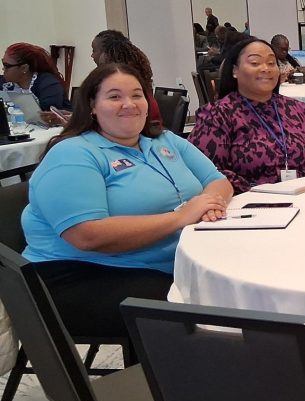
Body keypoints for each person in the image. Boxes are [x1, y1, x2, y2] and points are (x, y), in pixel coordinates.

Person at [21, 63, 232, 338]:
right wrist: (182, 217)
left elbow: (218, 182)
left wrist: (209, 204)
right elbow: (88, 235)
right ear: (92, 106)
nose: (129, 104)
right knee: (206, 317)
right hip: (83, 273)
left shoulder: (162, 140)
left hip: (168, 261)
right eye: (114, 97)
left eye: (137, 95)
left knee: (240, 282)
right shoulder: (73, 154)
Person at [189, 37, 305, 192]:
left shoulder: (299, 110)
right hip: (249, 202)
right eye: (255, 63)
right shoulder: (218, 115)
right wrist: (259, 191)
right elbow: (206, 169)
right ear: (234, 71)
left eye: (272, 63)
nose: (266, 68)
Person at [2, 42, 69, 110]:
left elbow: (49, 117)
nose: (3, 69)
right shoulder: (5, 83)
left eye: (7, 66)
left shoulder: (49, 85)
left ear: (24, 68)